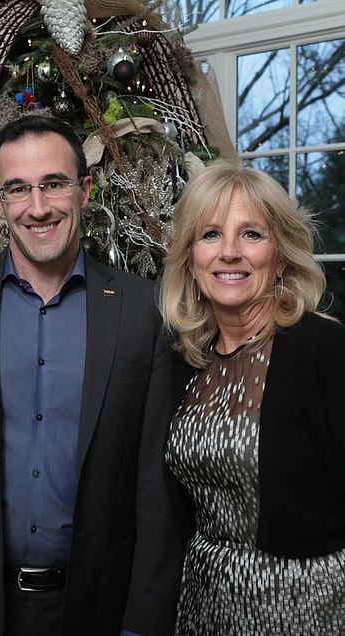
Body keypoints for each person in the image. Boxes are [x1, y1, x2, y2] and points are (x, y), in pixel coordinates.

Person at [0, 115, 190, 636]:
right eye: (18, 189)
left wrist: (144, 621)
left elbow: (156, 484)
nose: (37, 207)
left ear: (84, 190)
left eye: (53, 184)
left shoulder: (143, 310)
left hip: (98, 605)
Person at [160, 161, 345, 634]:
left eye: (251, 235)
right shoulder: (184, 362)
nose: (229, 253)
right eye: (210, 235)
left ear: (280, 254)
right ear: (190, 258)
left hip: (305, 608)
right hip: (203, 603)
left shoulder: (323, 350)